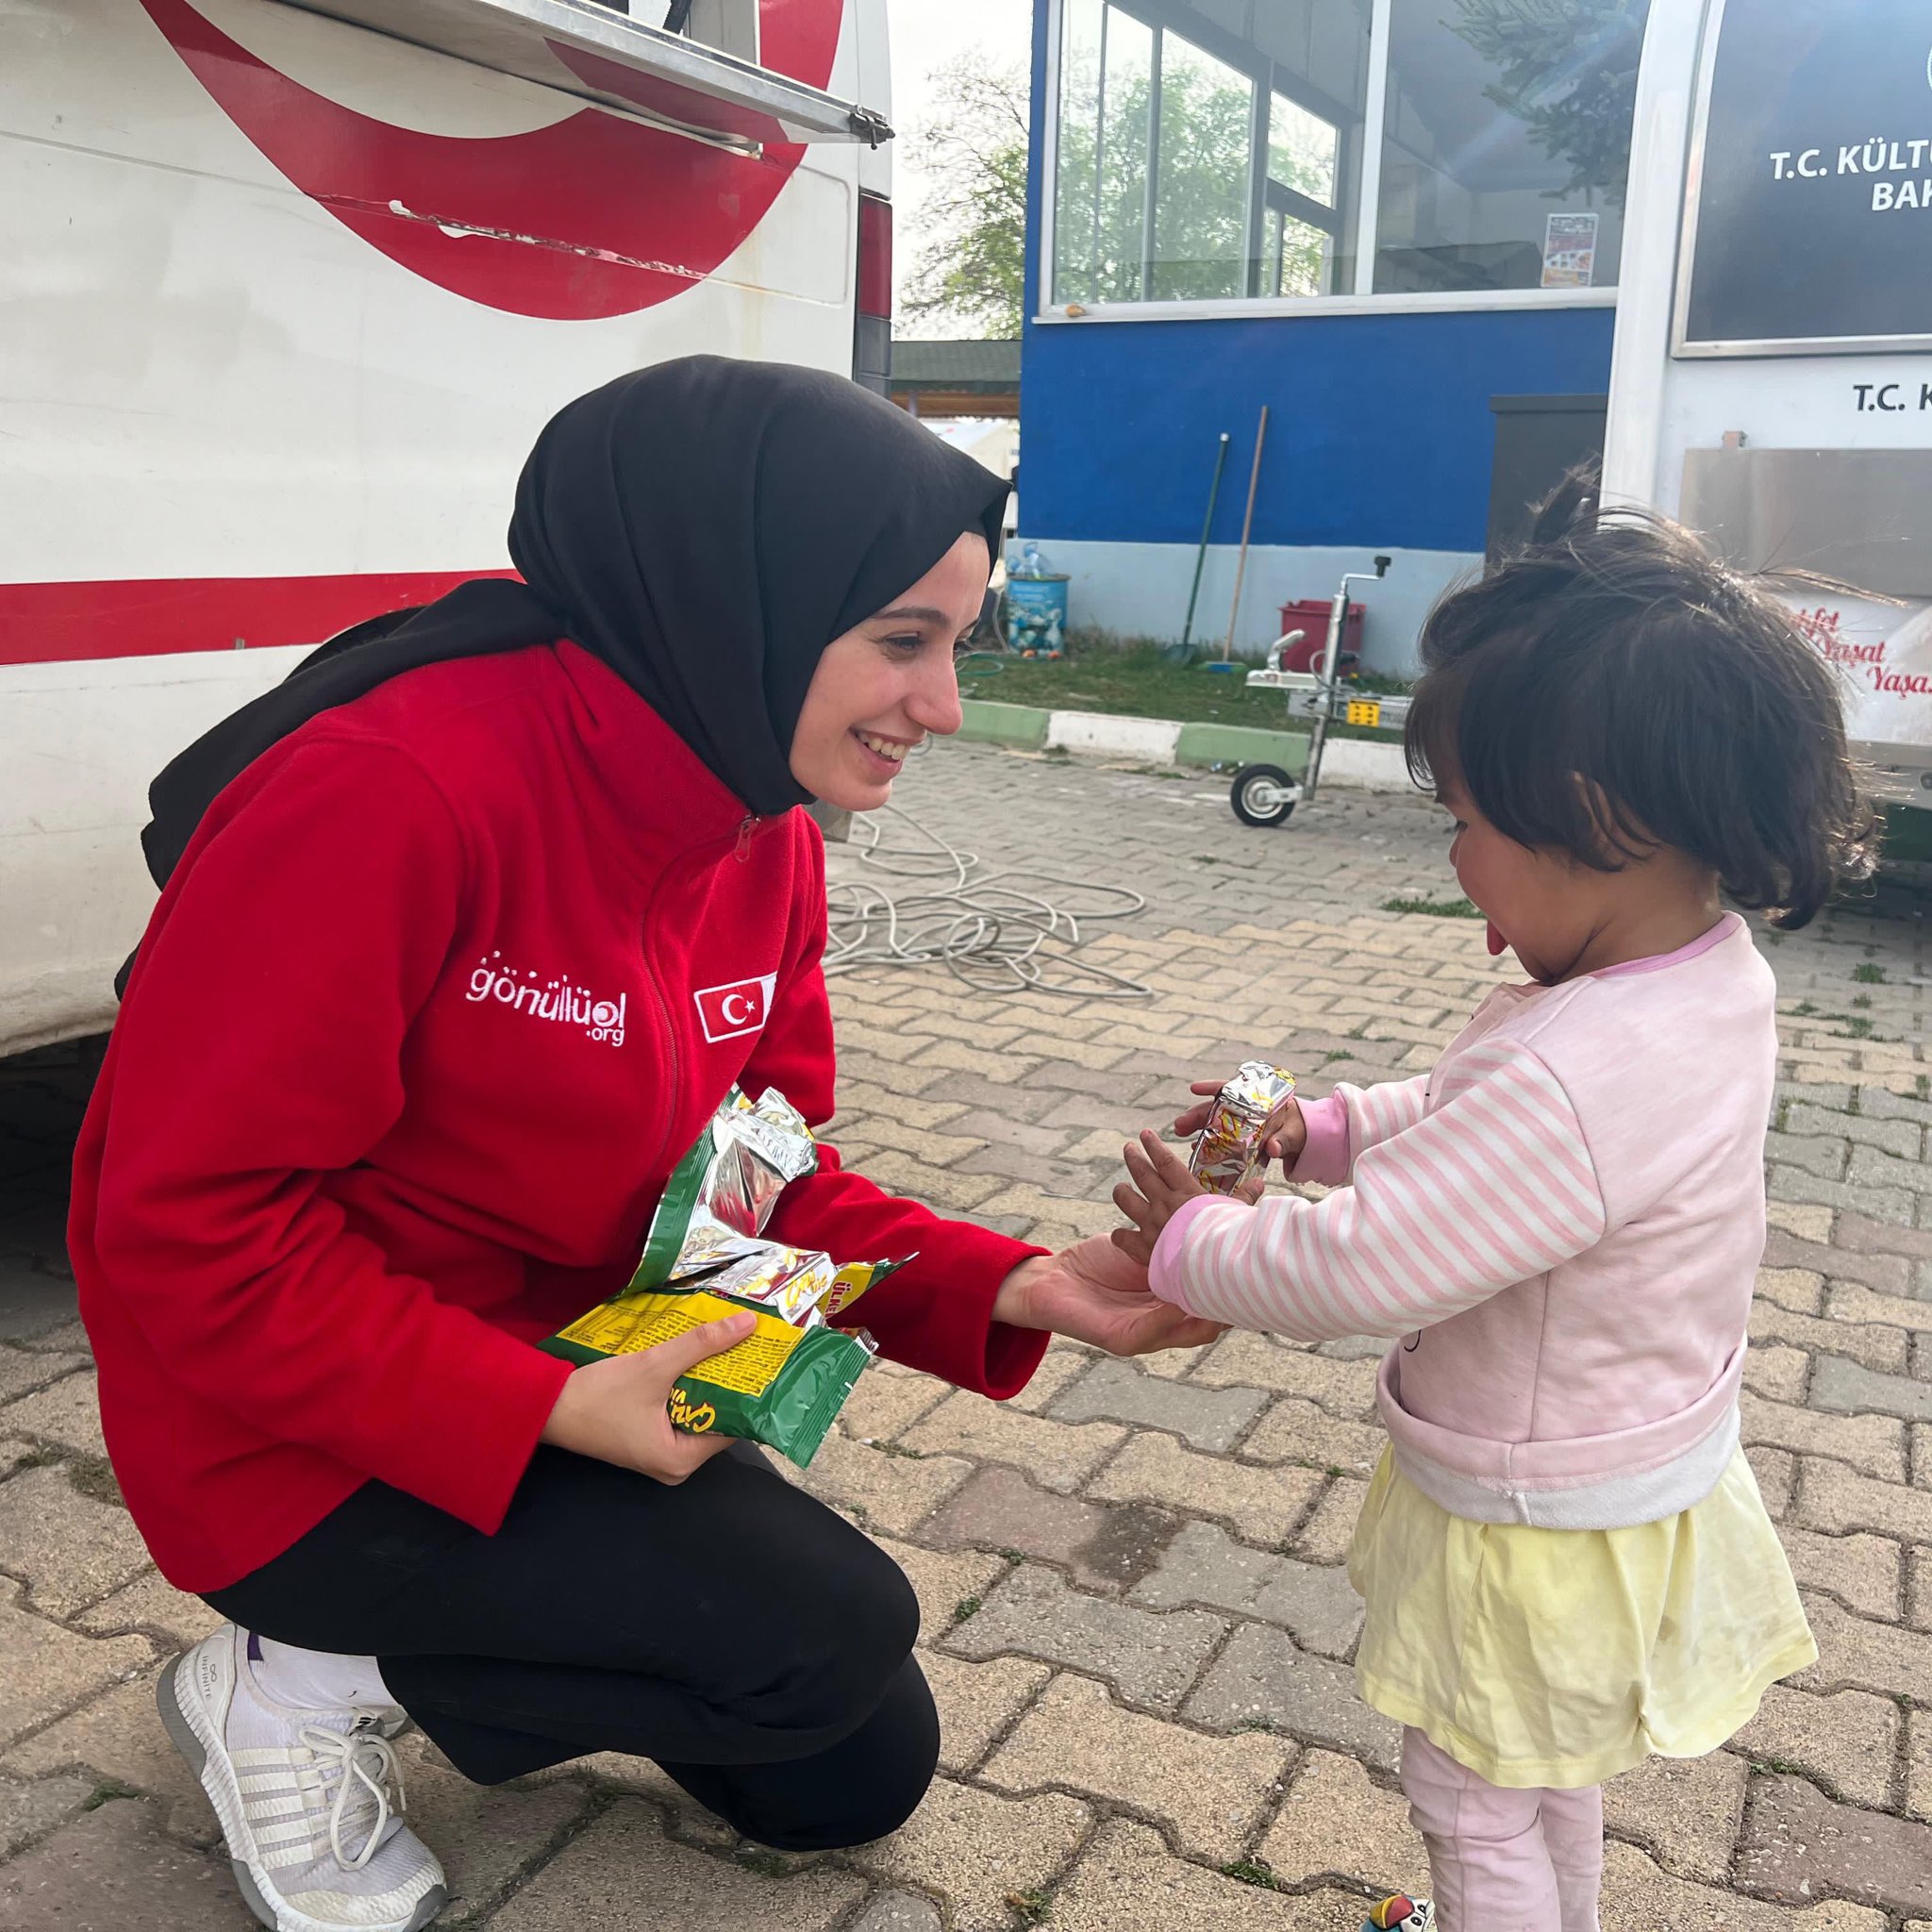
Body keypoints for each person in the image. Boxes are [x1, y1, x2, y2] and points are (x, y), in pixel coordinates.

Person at [69, 358, 1218, 1932]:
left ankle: (403, 1658)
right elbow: (185, 1230)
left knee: (847, 1770)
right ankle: (287, 1678)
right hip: (289, 1432)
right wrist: (548, 1402)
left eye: (962, 643)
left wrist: (1020, 1285)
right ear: (730, 591)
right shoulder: (390, 793)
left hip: (555, 1384)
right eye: (902, 642)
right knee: (826, 1626)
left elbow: (760, 1179)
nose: (944, 706)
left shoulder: (765, 830)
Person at [1111, 479, 1874, 1932]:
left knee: (1473, 1801)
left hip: (1530, 1518)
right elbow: (1476, 1129)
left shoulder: (1587, 1069)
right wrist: (1324, 1127)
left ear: (1594, 815)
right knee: (1540, 1776)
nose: (1451, 856)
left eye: (1463, 822)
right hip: (1619, 1482)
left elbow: (1366, 1270)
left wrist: (1190, 1242)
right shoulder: (1690, 979)